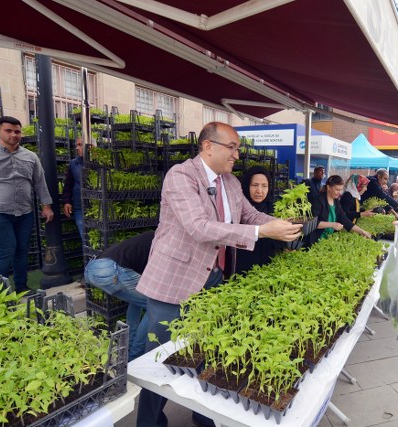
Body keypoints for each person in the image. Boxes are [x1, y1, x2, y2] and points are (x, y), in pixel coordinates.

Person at [135, 122, 302, 427]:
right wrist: (262, 231)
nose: (237, 155)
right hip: (174, 281)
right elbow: (199, 227)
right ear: (208, 146)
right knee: (159, 360)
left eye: (238, 148)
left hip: (212, 279)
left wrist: (280, 223)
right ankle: (149, 422)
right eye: (232, 147)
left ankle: (203, 415)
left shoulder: (232, 183)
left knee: (205, 351)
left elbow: (249, 215)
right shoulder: (182, 176)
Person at [0, 116, 54, 294]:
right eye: (9, 131)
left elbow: (39, 182)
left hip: (25, 212)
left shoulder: (30, 156)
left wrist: (46, 205)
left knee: (22, 251)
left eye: (17, 131)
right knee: (6, 251)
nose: (14, 134)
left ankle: (21, 287)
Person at [84, 230, 154, 361]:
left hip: (92, 267)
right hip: (110, 270)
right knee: (154, 305)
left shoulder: (152, 236)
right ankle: (135, 356)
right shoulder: (162, 244)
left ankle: (128, 348)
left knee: (137, 301)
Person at [234, 166, 281, 274]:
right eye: (254, 185)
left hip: (267, 268)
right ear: (246, 186)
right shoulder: (237, 209)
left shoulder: (274, 209)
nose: (259, 191)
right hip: (241, 267)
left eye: (264, 186)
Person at [306, 175, 371, 245]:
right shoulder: (318, 201)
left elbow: (344, 219)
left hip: (328, 239)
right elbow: (312, 223)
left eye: (340, 190)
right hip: (316, 240)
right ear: (328, 187)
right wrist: (332, 225)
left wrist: (362, 231)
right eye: (337, 189)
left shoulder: (336, 201)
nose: (339, 193)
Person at [61, 136, 85, 245]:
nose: (77, 148)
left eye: (80, 145)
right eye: (77, 145)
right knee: (85, 238)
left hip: (98, 206)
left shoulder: (101, 162)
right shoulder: (73, 164)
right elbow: (68, 184)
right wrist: (67, 201)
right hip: (79, 206)